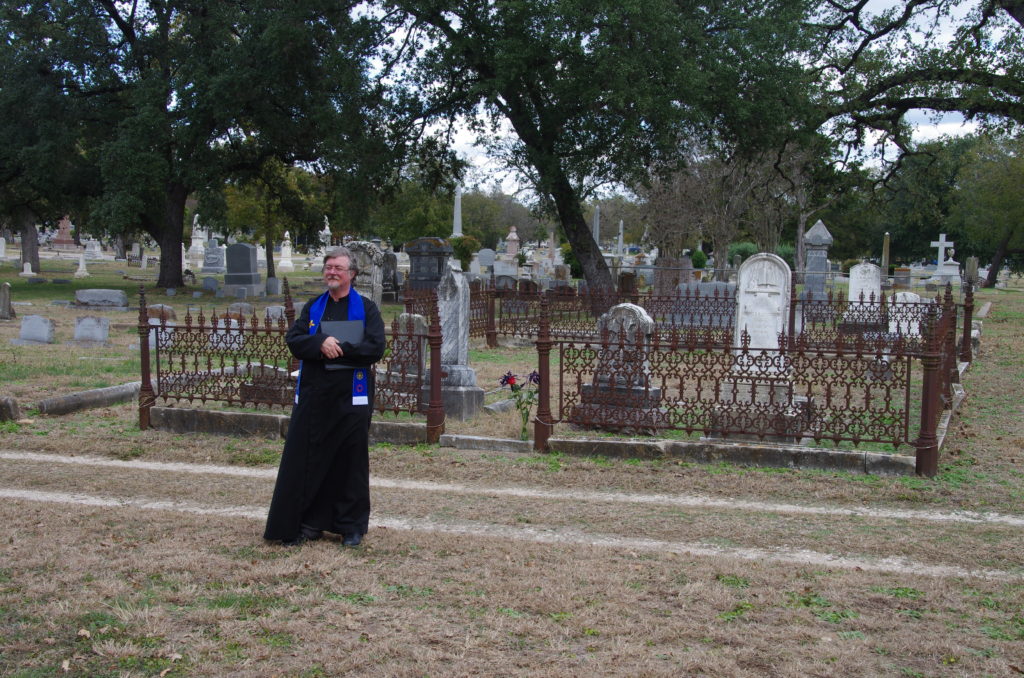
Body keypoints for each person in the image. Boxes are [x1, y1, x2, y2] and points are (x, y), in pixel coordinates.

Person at [264, 246, 386, 547]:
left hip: (351, 396)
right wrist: (320, 342)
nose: (331, 272)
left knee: (350, 460)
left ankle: (350, 526)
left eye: (338, 268)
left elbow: (375, 347)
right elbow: (295, 340)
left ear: (352, 275)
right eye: (328, 267)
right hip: (316, 395)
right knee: (310, 457)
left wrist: (339, 347)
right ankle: (311, 522)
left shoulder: (367, 309)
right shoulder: (313, 307)